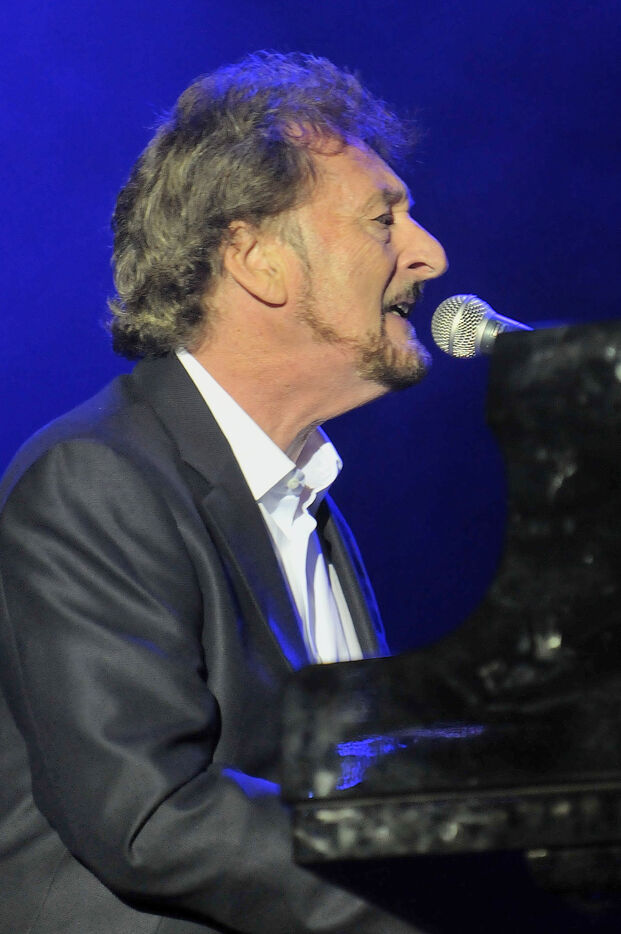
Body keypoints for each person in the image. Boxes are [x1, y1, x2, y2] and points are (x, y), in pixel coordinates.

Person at [0, 51, 447, 933]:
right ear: (256, 260)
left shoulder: (306, 499)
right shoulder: (95, 481)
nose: (428, 253)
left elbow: (341, 778)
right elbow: (153, 815)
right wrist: (426, 900)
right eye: (382, 219)